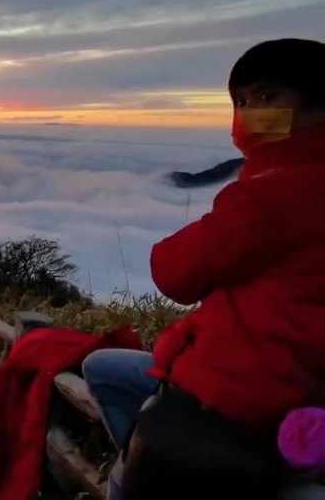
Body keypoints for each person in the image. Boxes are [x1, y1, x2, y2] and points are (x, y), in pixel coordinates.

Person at [83, 38, 325, 493]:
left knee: (114, 389)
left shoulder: (279, 192)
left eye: (269, 97)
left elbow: (176, 272)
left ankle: (131, 473)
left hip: (247, 387)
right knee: (107, 367)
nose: (252, 112)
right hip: (295, 381)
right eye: (242, 100)